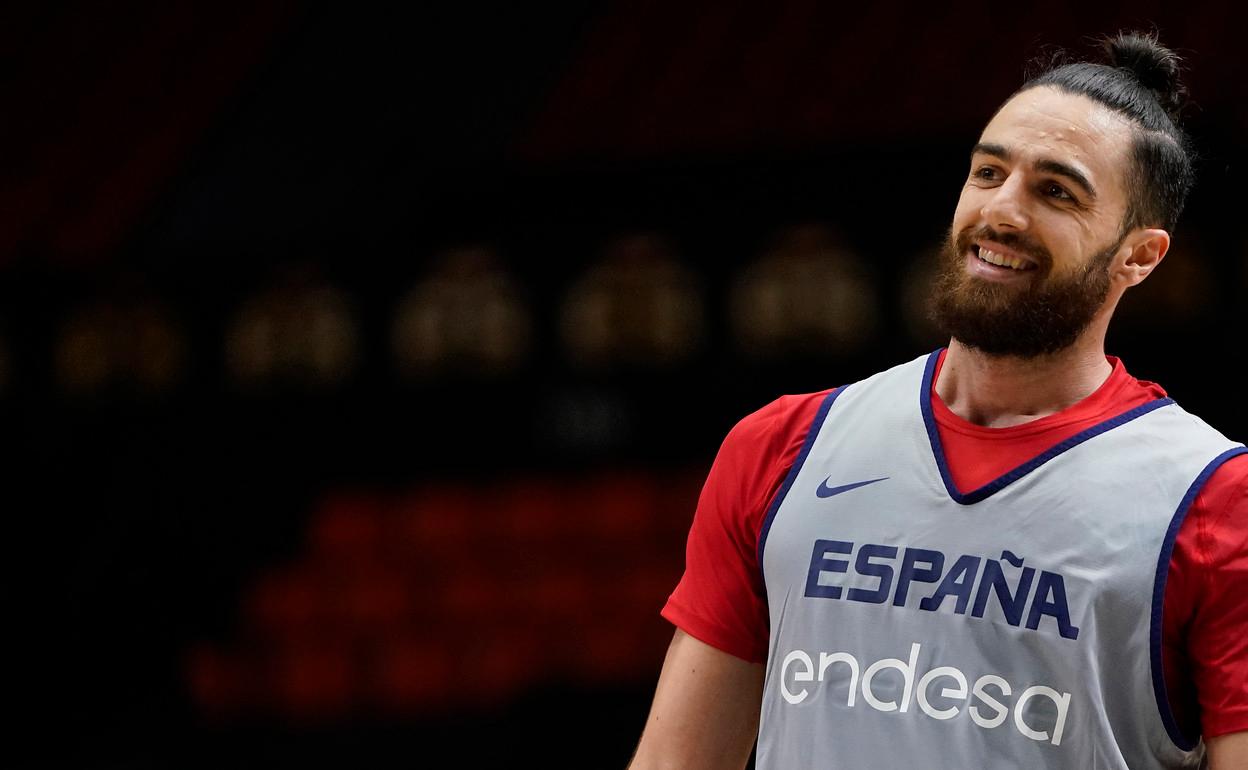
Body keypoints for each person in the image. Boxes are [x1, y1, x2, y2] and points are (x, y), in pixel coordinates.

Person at [628, 32, 1248, 770]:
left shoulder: (1214, 499)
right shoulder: (784, 444)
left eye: (1056, 191)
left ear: (1139, 256)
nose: (1002, 212)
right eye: (989, 173)